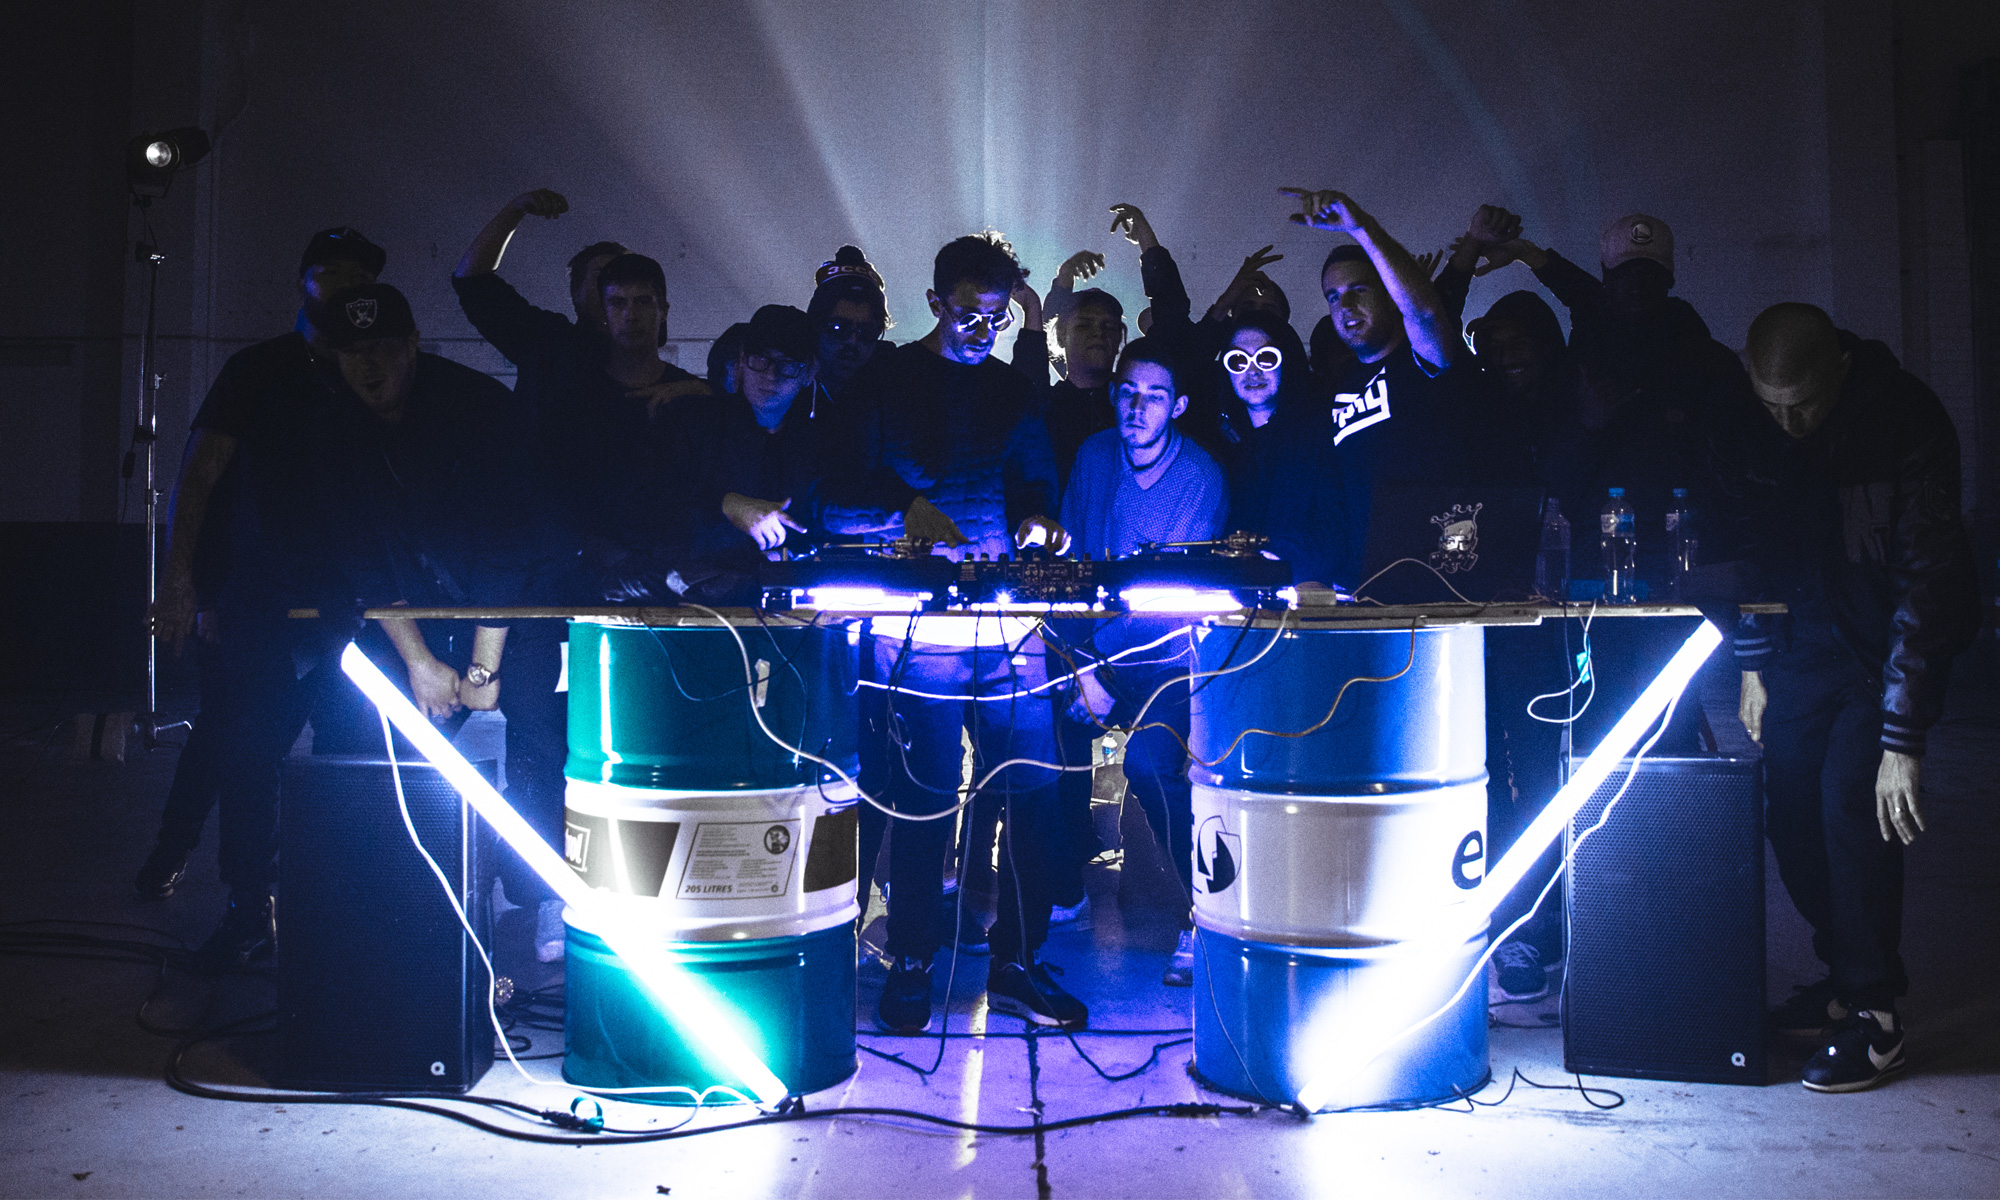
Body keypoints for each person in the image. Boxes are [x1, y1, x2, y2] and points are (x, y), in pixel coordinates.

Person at [821, 231, 1080, 1033]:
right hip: (916, 626)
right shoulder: (884, 382)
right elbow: (832, 500)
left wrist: (1040, 525)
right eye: (969, 315)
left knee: (1032, 791)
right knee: (924, 798)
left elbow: (1037, 487)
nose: (982, 331)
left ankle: (1017, 960)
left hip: (1006, 624)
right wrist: (905, 512)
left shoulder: (1014, 393)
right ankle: (913, 958)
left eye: (996, 318)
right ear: (934, 302)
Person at [1736, 303, 1979, 1093]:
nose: (1788, 421)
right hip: (1802, 652)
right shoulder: (1761, 425)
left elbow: (1928, 579)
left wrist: (1903, 737)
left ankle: (1875, 1018)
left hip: (1879, 654)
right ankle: (1845, 980)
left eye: (1802, 404)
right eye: (1772, 405)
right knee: (1790, 815)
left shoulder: (1906, 418)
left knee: (1851, 809)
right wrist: (1752, 662)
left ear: (1839, 367)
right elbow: (1752, 549)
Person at [141, 228, 385, 967]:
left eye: (356, 275)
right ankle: (239, 899)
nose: (342, 285)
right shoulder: (259, 367)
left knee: (347, 754)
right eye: (328, 273)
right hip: (256, 598)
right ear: (304, 282)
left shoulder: (373, 372)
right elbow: (200, 476)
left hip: (348, 601)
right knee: (241, 746)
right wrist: (184, 583)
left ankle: (332, 908)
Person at [1053, 341, 1229, 985]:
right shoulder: (1094, 456)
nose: (1138, 406)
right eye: (1128, 391)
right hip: (1095, 653)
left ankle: (1204, 913)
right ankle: (1062, 884)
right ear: (1112, 393)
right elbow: (1067, 573)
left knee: (1151, 765)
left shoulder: (1199, 476)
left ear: (1177, 406)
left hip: (1165, 660)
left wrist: (1100, 669)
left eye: (1154, 396)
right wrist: (1082, 668)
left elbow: (1170, 600)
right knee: (1034, 735)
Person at [296, 283, 534, 754]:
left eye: (381, 348)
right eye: (352, 352)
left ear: (412, 343)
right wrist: (419, 661)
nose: (368, 364)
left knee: (538, 730)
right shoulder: (333, 424)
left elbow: (509, 543)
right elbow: (357, 549)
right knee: (351, 734)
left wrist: (481, 670)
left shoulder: (478, 406)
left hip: (517, 602)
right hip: (416, 599)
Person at [1281, 187, 1526, 587]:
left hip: (1442, 584)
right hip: (1365, 589)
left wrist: (1361, 228)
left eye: (1359, 290)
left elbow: (1425, 311)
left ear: (1390, 292)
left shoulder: (1422, 359)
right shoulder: (1338, 386)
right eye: (1333, 297)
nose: (1345, 306)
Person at [680, 304, 825, 571]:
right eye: (760, 359)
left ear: (809, 372)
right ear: (742, 360)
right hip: (693, 584)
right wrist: (727, 503)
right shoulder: (693, 424)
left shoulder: (814, 443)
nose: (770, 375)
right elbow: (653, 500)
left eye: (787, 364)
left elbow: (815, 518)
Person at [807, 245, 891, 402]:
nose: (852, 341)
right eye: (839, 328)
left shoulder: (897, 379)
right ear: (816, 326)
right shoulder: (780, 380)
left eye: (866, 332)